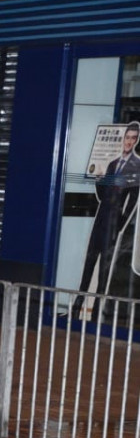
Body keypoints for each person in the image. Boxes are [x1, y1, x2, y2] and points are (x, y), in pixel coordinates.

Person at [76, 120, 140, 320]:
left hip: (113, 223)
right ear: (123, 139)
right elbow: (102, 195)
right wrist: (98, 179)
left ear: (136, 140)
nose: (129, 141)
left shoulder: (136, 165)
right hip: (100, 219)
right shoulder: (112, 164)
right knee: (89, 263)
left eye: (133, 138)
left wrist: (120, 224)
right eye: (127, 137)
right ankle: (77, 306)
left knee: (104, 268)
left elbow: (133, 198)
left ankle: (95, 313)